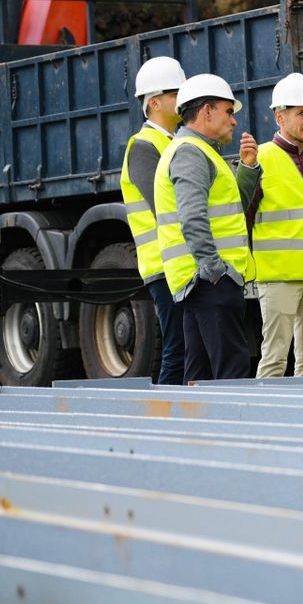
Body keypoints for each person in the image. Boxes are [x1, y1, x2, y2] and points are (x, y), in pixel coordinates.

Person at [154, 74, 261, 383]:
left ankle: (195, 431)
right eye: (229, 111)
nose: (234, 121)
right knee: (231, 371)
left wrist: (249, 167)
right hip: (209, 281)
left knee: (199, 375)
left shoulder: (198, 150)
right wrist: (215, 270)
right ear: (206, 111)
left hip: (200, 282)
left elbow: (232, 207)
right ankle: (231, 432)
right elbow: (193, 218)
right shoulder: (191, 152)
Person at [252, 73, 303, 378]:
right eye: (301, 113)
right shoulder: (259, 158)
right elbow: (243, 217)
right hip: (278, 275)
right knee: (274, 358)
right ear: (279, 117)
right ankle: (266, 422)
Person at [120, 56, 186, 384]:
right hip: (163, 264)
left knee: (185, 346)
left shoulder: (174, 142)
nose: (184, 99)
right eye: (177, 93)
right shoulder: (144, 146)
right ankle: (163, 413)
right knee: (178, 347)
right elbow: (166, 205)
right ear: (155, 102)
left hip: (178, 261)